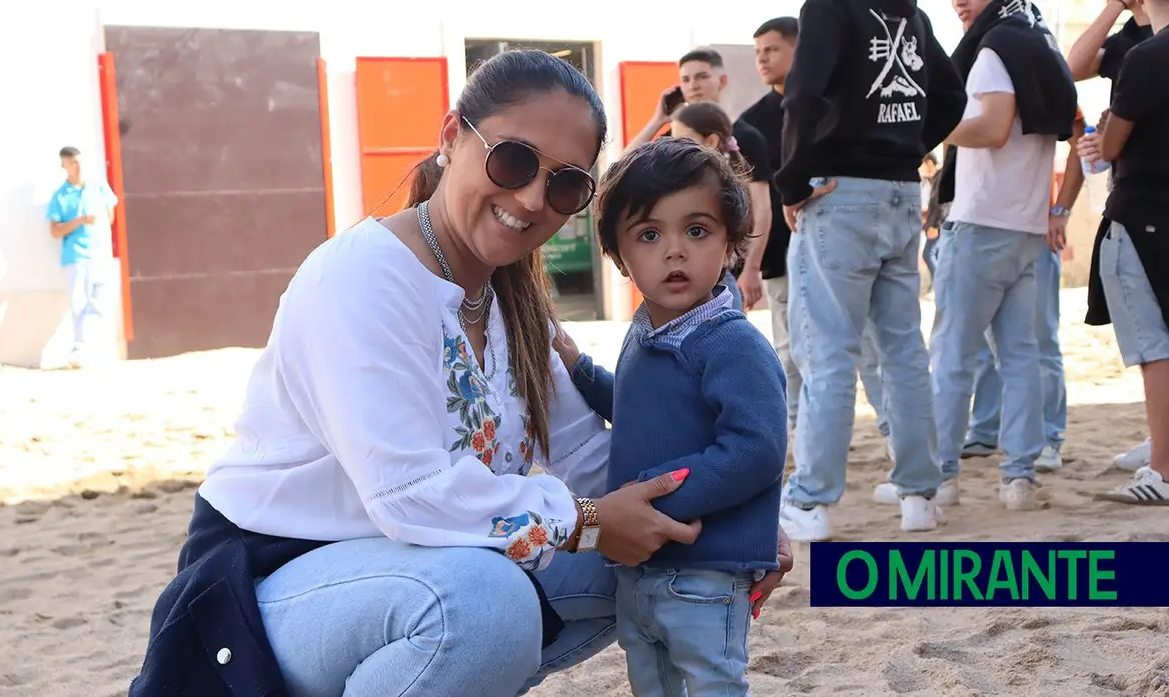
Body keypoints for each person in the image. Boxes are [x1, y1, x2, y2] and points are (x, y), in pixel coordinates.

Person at [129, 50, 791, 697]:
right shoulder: (362, 278)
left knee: (660, 569)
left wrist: (734, 531)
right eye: (514, 160)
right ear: (452, 136)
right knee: (485, 605)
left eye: (564, 184)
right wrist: (589, 521)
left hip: (415, 573)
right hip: (276, 584)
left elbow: (591, 456)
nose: (532, 197)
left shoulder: (510, 300)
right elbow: (411, 491)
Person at [551, 137, 786, 696]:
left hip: (706, 567)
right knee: (649, 680)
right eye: (649, 235)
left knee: (712, 683)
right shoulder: (646, 331)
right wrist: (583, 372)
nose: (674, 251)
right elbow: (641, 411)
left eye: (697, 231)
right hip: (641, 570)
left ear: (730, 243)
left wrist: (656, 500)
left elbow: (756, 449)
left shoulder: (731, 344)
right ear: (618, 253)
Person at [774, 0, 966, 541]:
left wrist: (793, 179)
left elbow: (803, 92)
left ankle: (811, 501)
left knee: (829, 352)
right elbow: (952, 96)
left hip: (840, 192)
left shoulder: (831, 7)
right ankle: (919, 496)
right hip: (901, 190)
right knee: (904, 349)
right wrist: (901, 149)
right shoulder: (911, 12)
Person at [923, 0, 1077, 511]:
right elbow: (1071, 130)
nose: (958, 2)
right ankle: (1019, 478)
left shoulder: (994, 50)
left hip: (981, 222)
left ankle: (940, 478)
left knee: (952, 359)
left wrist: (930, 126)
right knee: (1021, 359)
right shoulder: (1042, 45)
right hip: (1026, 225)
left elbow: (990, 127)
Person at [738, 16, 894, 448]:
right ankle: (797, 433)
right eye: (757, 52)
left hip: (842, 247)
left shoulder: (838, 104)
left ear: (799, 48)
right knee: (791, 350)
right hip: (783, 255)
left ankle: (892, 430)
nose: (763, 60)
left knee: (867, 347)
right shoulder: (751, 123)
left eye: (772, 49)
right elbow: (756, 198)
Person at [954, 107, 1085, 476]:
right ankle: (986, 428)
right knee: (983, 342)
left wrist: (1061, 209)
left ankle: (1047, 436)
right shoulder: (974, 75)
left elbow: (1080, 140)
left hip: (1032, 230)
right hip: (978, 227)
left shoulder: (1042, 76)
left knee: (1037, 340)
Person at [1079, 0, 1169, 505]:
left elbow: (1109, 147)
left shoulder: (1147, 56)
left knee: (1154, 348)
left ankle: (1162, 469)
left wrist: (1108, 124)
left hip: (1143, 211)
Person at [627, 48, 774, 310]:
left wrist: (752, 267)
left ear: (722, 80)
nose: (693, 85)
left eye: (701, 76)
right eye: (685, 79)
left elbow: (762, 208)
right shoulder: (675, 139)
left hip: (725, 273)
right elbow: (622, 167)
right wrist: (658, 120)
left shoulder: (747, 138)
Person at [46, 146, 119, 368]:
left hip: (101, 253)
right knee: (79, 303)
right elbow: (55, 231)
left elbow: (111, 214)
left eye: (80, 161)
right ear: (64, 165)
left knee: (101, 301)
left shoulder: (98, 187)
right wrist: (79, 221)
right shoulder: (60, 195)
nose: (79, 166)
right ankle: (81, 350)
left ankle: (84, 346)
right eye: (74, 162)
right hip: (77, 256)